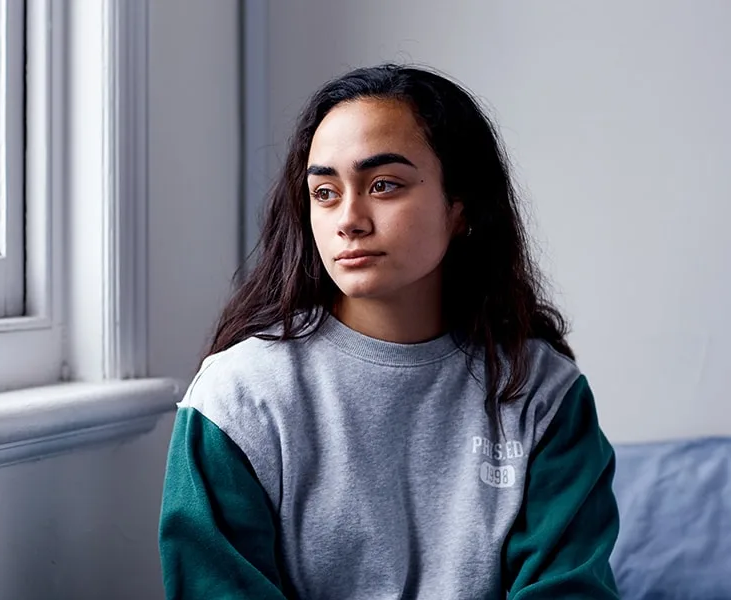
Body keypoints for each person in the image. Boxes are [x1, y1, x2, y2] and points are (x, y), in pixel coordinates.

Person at [158, 63, 620, 599]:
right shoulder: (237, 399)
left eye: (383, 185)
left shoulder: (543, 394)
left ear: (460, 208)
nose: (348, 218)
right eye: (325, 192)